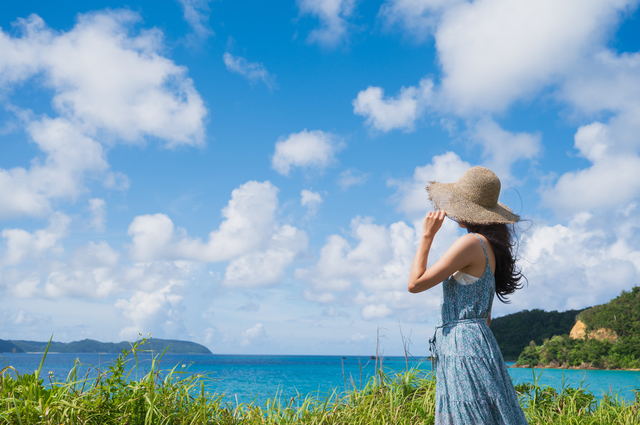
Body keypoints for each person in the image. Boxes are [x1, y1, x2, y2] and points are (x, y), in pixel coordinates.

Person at [407, 166, 528, 425]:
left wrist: (426, 236)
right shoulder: (489, 248)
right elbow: (486, 318)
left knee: (467, 417)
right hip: (477, 342)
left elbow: (415, 284)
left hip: (462, 344)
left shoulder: (471, 243)